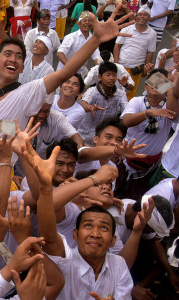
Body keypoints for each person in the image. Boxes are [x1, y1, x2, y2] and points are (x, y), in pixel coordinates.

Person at [0, 6, 135, 168]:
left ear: (22, 67)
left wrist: (96, 40)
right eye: (7, 54)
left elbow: (65, 73)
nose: (13, 59)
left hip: (0, 171)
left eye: (19, 56)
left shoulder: (28, 91)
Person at [24, 141, 134, 299]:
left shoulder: (118, 264)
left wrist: (137, 231)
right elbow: (46, 202)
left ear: (112, 239)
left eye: (103, 228)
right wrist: (94, 179)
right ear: (75, 234)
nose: (95, 234)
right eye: (88, 226)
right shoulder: (66, 258)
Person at [120, 69, 176, 199]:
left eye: (161, 82)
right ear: (146, 86)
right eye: (153, 81)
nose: (156, 85)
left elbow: (174, 116)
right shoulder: (137, 101)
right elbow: (126, 121)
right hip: (126, 160)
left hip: (151, 164)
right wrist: (148, 113)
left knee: (139, 199)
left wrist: (171, 87)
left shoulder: (170, 105)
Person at [77, 61, 128, 144]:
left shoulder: (120, 94)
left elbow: (127, 111)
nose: (112, 78)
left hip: (105, 138)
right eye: (108, 75)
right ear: (100, 77)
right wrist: (90, 107)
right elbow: (83, 104)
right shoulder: (92, 91)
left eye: (114, 75)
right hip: (84, 135)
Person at [114, 5, 156, 100]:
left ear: (149, 18)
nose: (142, 16)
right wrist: (116, 63)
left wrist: (146, 68)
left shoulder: (152, 33)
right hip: (121, 66)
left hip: (136, 69)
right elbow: (117, 46)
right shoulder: (127, 29)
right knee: (115, 91)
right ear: (136, 16)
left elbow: (150, 52)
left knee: (130, 93)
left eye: (145, 15)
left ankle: (125, 113)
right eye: (140, 14)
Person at [56, 11, 99, 78]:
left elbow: (97, 58)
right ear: (79, 24)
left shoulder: (93, 40)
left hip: (81, 74)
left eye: (90, 21)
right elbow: (60, 53)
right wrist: (69, 68)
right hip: (64, 72)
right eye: (84, 20)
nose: (87, 22)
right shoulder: (71, 37)